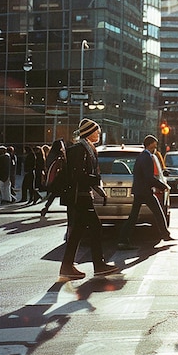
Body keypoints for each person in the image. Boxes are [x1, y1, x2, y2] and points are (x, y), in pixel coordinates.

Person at [59, 118, 118, 279]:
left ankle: (66, 267)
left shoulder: (88, 148)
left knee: (77, 232)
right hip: (79, 196)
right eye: (96, 131)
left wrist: (100, 190)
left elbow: (89, 174)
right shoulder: (80, 149)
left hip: (83, 195)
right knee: (95, 227)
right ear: (89, 132)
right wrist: (95, 183)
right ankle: (99, 265)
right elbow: (79, 175)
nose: (98, 133)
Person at [117, 135, 174, 249]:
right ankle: (165, 235)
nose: (156, 146)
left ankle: (123, 239)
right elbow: (149, 178)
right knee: (158, 212)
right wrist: (163, 186)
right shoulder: (147, 157)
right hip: (144, 191)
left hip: (140, 190)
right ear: (151, 144)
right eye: (155, 144)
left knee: (134, 217)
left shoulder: (142, 156)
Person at [40, 139, 67, 218]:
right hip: (61, 177)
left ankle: (46, 208)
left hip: (56, 178)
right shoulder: (59, 155)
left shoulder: (52, 154)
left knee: (54, 194)